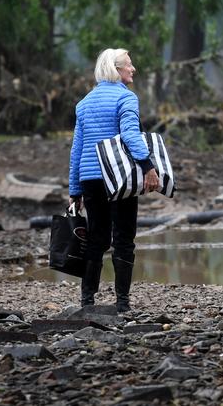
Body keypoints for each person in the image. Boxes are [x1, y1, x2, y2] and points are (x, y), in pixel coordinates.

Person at [68, 49, 159, 312]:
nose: (134, 69)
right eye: (129, 65)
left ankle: (87, 301)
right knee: (123, 238)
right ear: (117, 69)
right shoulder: (125, 97)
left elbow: (77, 149)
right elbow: (131, 135)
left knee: (96, 239)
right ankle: (122, 303)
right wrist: (148, 167)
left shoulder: (84, 103)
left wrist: (75, 190)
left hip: (91, 179)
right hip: (119, 178)